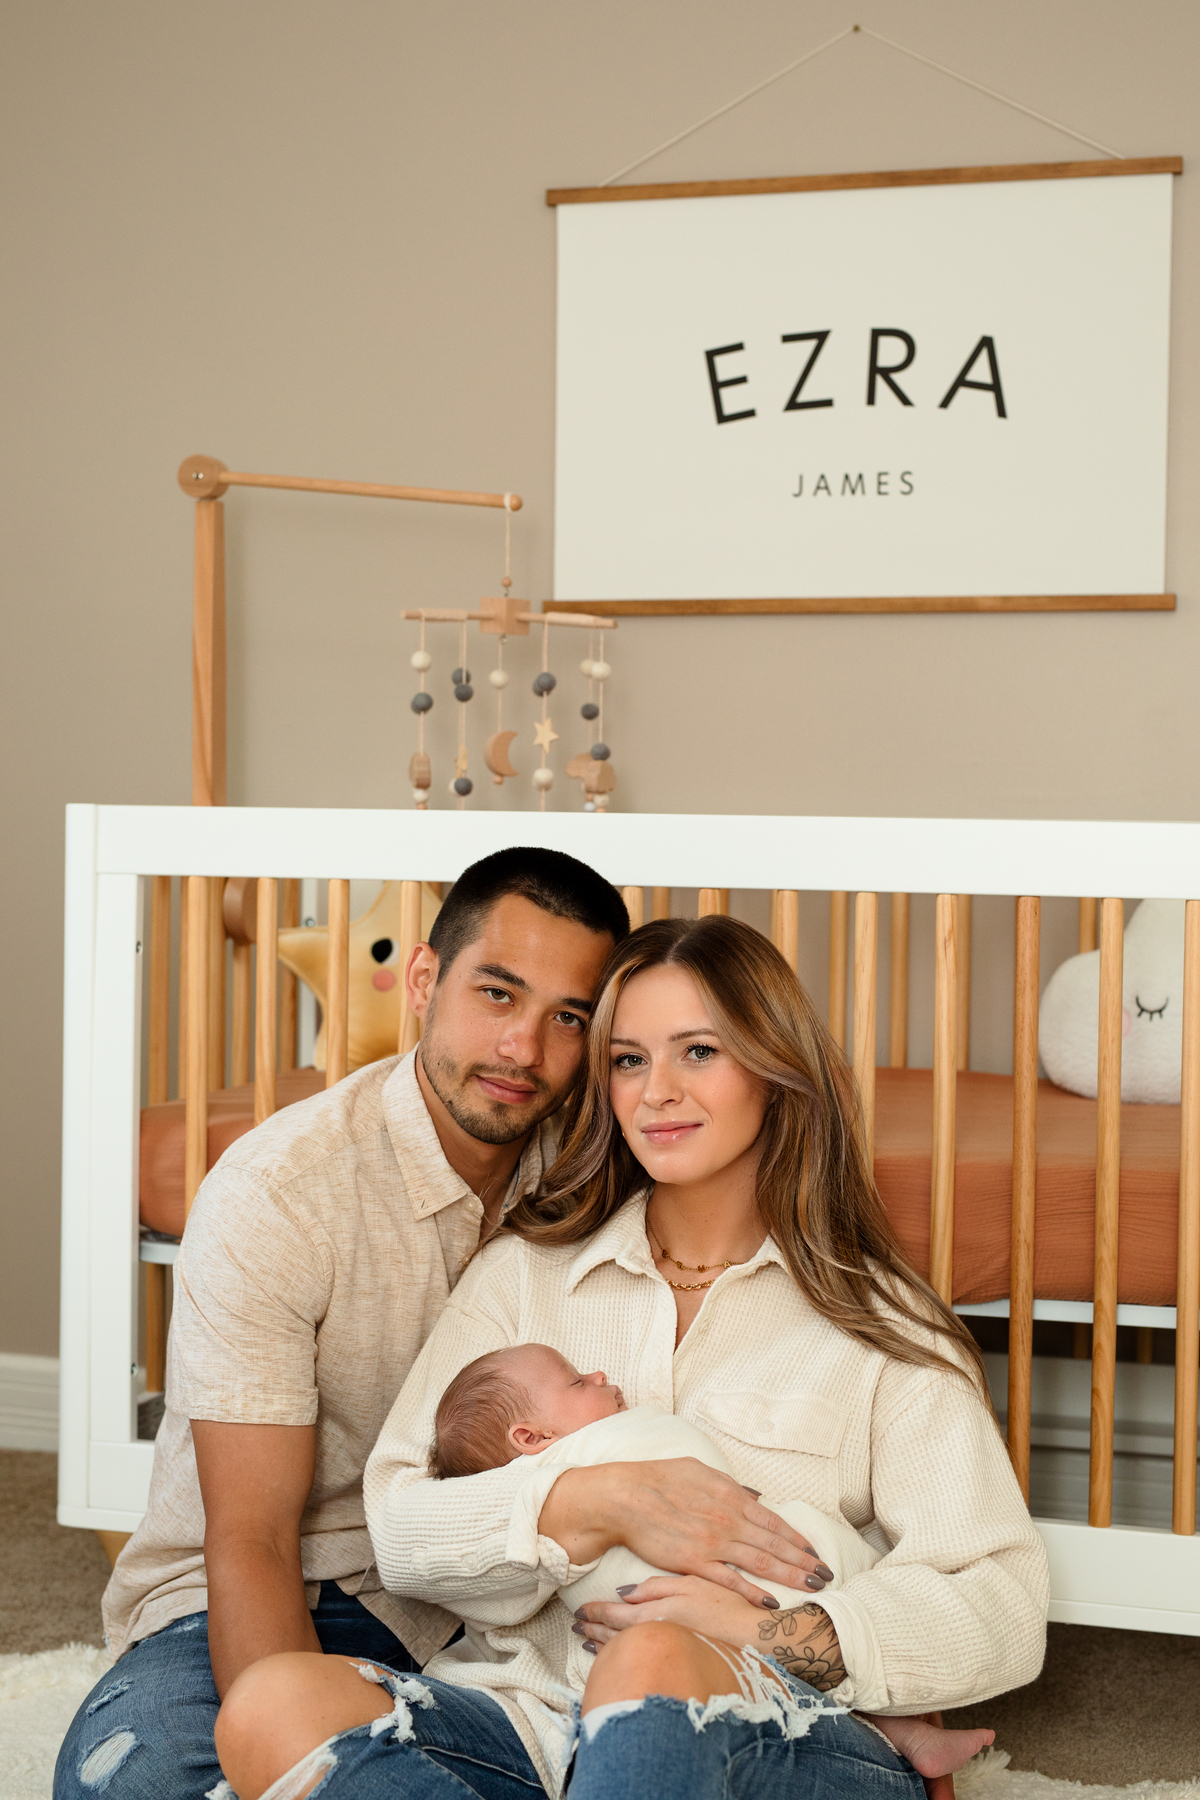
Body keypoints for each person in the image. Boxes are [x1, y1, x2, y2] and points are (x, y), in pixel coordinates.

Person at [212, 914, 1048, 1800]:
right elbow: (405, 1527)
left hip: (784, 1728)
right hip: (533, 1726)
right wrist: (591, 1502)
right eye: (629, 1059)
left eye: (698, 1053)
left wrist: (767, 1632)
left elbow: (1000, 1600)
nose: (656, 1092)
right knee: (272, 1704)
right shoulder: (523, 1277)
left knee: (650, 1655)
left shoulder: (879, 1320)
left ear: (774, 1072)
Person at [54, 848, 633, 1800]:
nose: (525, 1050)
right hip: (264, 1597)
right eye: (496, 993)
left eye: (566, 1017)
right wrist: (279, 1746)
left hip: (498, 1601)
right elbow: (252, 1539)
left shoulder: (598, 1172)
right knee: (133, 1780)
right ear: (421, 982)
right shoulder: (279, 1193)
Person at [427, 1342, 995, 1783]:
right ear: (531, 1437)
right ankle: (905, 1732)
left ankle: (901, 1730)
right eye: (578, 1381)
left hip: (730, 1648)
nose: (599, 1376)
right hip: (629, 1675)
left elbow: (989, 1594)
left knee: (796, 1631)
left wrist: (753, 1627)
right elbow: (406, 1525)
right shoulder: (561, 1468)